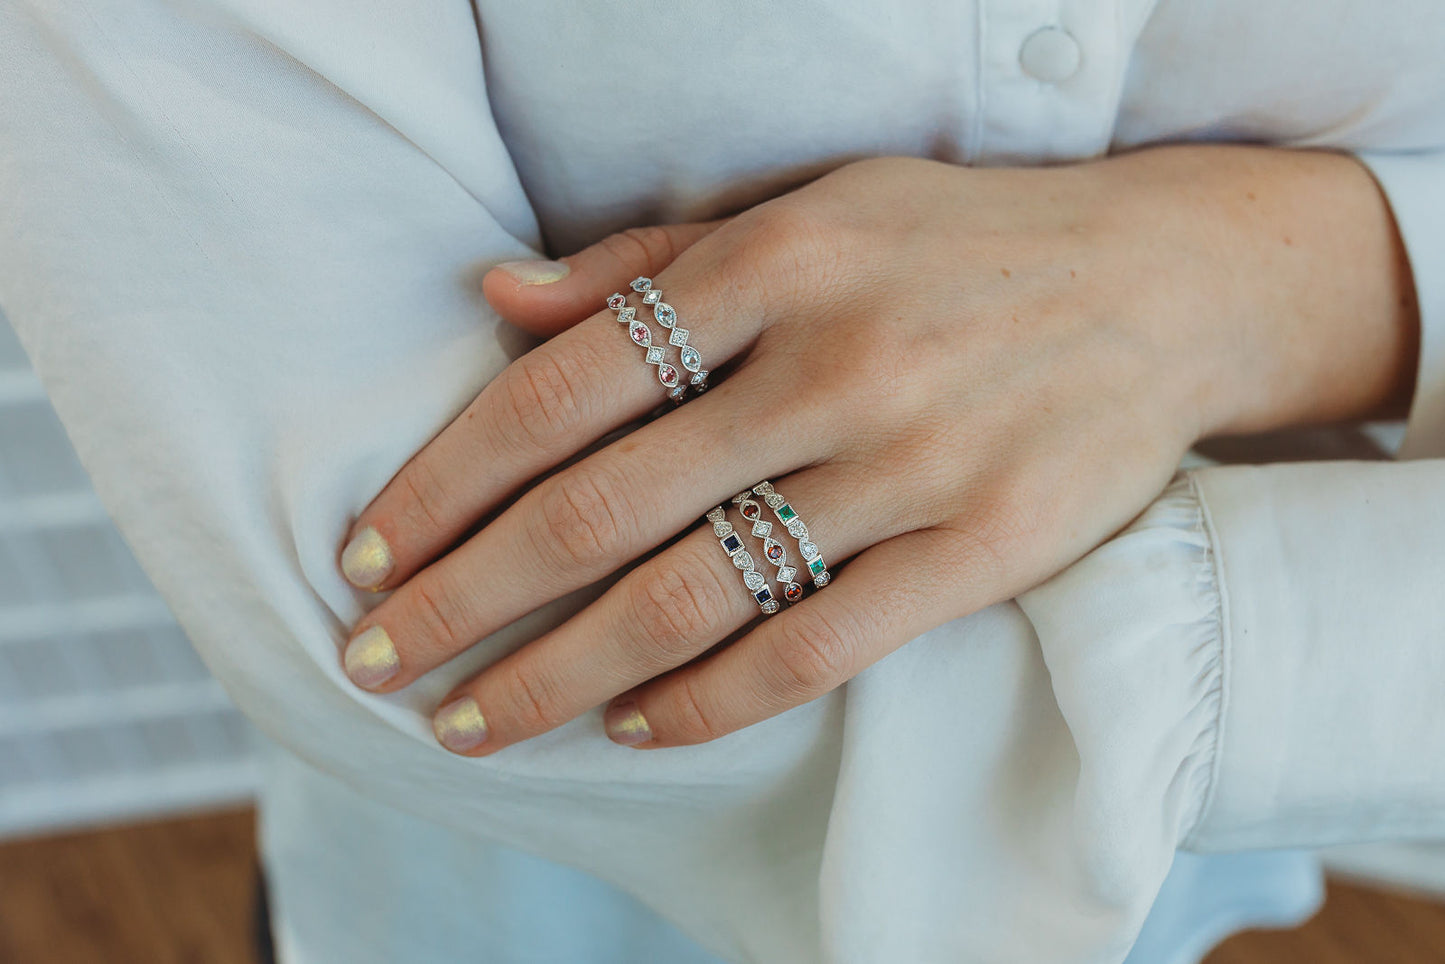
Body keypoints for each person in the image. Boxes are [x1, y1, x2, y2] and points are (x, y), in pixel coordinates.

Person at [2, 1, 1443, 962]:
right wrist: (1317, 654)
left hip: (1151, 905)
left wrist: (1277, 293)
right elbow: (375, 594)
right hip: (485, 911)